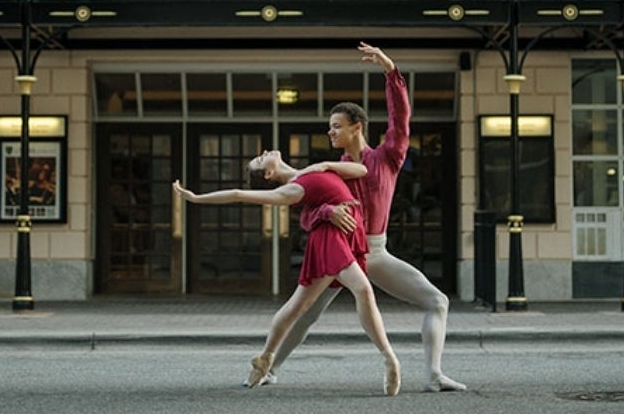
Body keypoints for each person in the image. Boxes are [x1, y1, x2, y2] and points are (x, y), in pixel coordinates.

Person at [265, 42, 467, 393]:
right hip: (341, 253)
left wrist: (391, 71)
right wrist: (327, 211)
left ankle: (434, 375)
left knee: (437, 301)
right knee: (306, 314)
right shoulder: (331, 170)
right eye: (329, 127)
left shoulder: (387, 157)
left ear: (356, 127)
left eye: (336, 126)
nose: (330, 132)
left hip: (374, 252)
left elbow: (400, 119)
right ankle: (268, 370)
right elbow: (305, 214)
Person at [172, 150, 401, 397]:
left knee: (298, 305)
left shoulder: (310, 171)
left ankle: (265, 358)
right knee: (362, 289)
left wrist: (324, 164)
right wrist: (196, 198)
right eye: (260, 160)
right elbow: (238, 194)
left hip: (345, 234)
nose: (263, 153)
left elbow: (362, 170)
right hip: (330, 239)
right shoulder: (292, 189)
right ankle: (389, 359)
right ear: (269, 174)